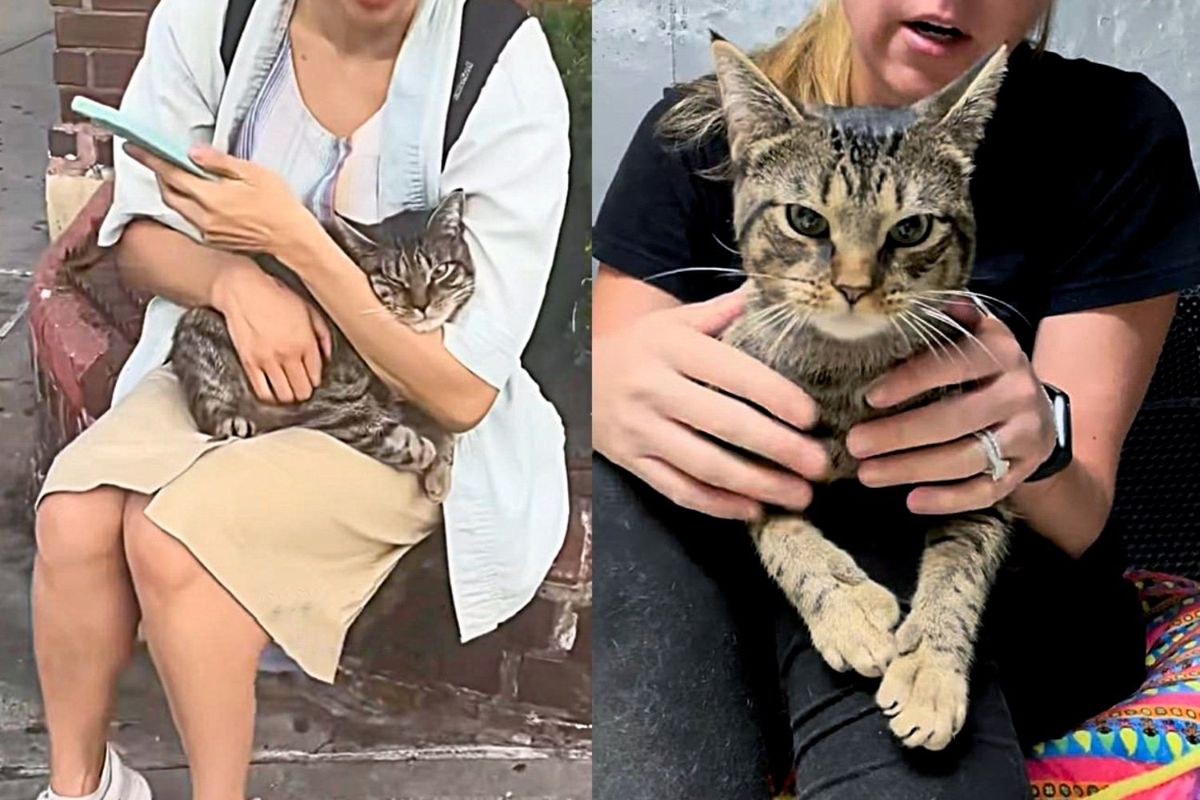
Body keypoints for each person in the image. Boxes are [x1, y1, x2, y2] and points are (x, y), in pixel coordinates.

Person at [592, 0, 1200, 796]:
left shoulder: (1117, 130)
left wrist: (1032, 440)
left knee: (883, 485)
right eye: (809, 223)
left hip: (1009, 606)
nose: (853, 279)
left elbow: (1080, 509)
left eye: (906, 234)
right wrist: (604, 393)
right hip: (725, 604)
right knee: (634, 488)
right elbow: (623, 421)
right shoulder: (697, 131)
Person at [31, 0, 570, 798]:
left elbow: (461, 392)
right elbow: (137, 241)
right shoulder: (214, 17)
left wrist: (297, 245)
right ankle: (83, 786)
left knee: (175, 541)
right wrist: (230, 278)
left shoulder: (500, 69)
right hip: (230, 359)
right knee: (72, 515)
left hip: (398, 408)